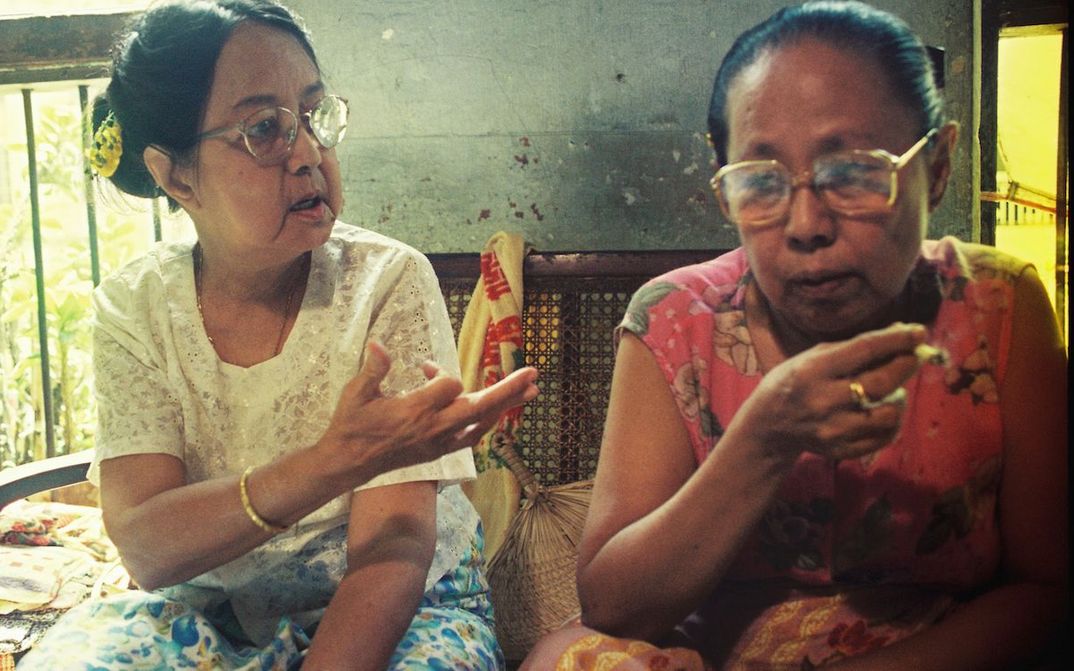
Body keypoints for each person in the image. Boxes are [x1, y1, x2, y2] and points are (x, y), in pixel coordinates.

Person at [523, 1, 1067, 669]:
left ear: (940, 164)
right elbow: (615, 605)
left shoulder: (996, 306)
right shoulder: (676, 320)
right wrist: (763, 440)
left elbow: (1048, 589)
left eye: (856, 173)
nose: (806, 223)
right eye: (761, 182)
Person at [18, 1, 538, 669]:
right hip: (204, 610)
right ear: (175, 174)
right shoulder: (136, 306)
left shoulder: (386, 283)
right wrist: (332, 462)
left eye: (314, 116)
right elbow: (148, 550)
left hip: (403, 607)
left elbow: (397, 546)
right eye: (264, 129)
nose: (308, 154)